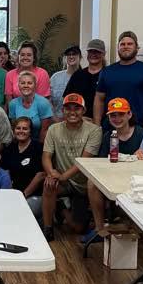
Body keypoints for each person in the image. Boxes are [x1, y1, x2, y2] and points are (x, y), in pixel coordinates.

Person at [41, 93, 101, 240]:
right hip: (63, 181)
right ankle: (48, 228)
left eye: (77, 108)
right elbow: (46, 156)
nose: (72, 112)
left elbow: (84, 161)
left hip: (83, 184)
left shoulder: (94, 130)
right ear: (63, 110)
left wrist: (62, 176)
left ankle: (61, 208)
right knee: (49, 184)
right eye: (68, 108)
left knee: (78, 229)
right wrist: (51, 173)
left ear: (84, 110)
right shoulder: (53, 129)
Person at [89, 98, 143, 236]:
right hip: (113, 176)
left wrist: (142, 155)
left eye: (121, 114)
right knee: (92, 183)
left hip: (136, 179)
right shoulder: (108, 136)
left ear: (129, 114)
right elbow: (102, 161)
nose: (117, 118)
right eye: (113, 115)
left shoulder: (141, 133)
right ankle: (100, 228)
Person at [94, 32, 143, 129]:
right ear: (118, 48)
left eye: (130, 44)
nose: (126, 47)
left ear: (137, 48)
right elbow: (99, 100)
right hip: (109, 129)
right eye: (122, 44)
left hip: (138, 129)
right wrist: (97, 127)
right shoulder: (107, 72)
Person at [2, 117, 45, 219]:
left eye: (25, 129)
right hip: (14, 194)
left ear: (30, 131)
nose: (21, 131)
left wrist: (23, 195)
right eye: (18, 128)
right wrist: (12, 194)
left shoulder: (38, 148)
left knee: (21, 213)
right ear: (14, 130)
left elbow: (40, 175)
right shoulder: (9, 148)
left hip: (34, 195)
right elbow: (6, 173)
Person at [8, 70, 54, 140]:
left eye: (29, 83)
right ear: (18, 85)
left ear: (35, 85)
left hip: (38, 142)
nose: (26, 86)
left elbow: (44, 131)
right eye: (23, 83)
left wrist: (38, 148)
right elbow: (14, 129)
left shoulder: (43, 103)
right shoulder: (13, 104)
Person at [64, 39, 106, 113]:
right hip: (79, 120)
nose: (93, 54)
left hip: (103, 121)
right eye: (91, 51)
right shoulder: (78, 75)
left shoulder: (108, 74)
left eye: (97, 52)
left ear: (103, 54)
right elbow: (67, 99)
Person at [50, 45, 81, 119]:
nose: (71, 56)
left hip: (78, 120)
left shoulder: (84, 76)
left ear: (80, 57)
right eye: (68, 55)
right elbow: (49, 100)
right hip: (57, 119)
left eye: (74, 54)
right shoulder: (55, 77)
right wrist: (55, 118)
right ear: (64, 58)